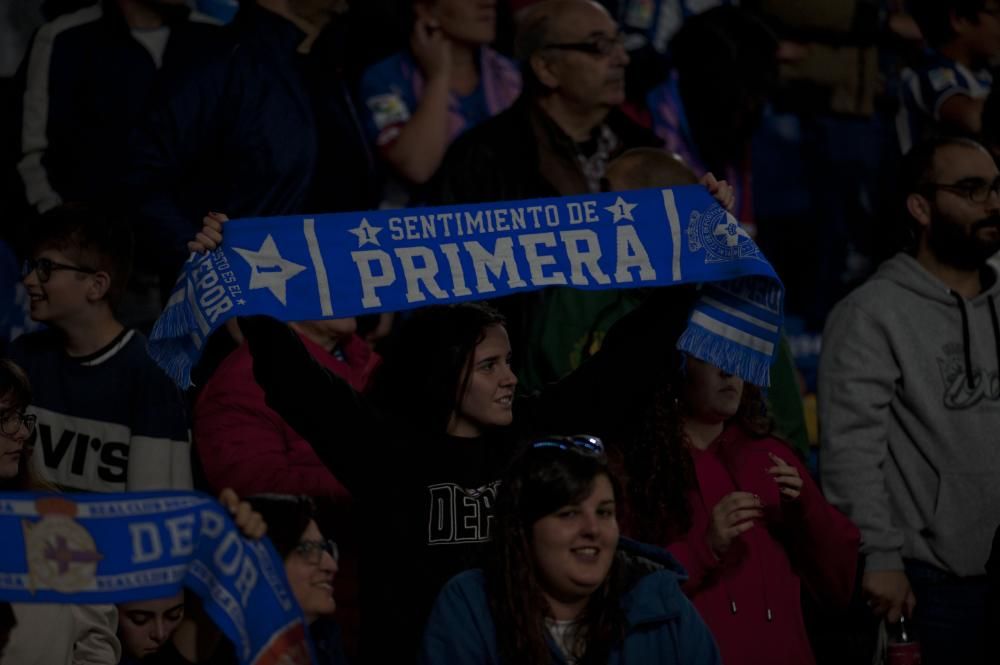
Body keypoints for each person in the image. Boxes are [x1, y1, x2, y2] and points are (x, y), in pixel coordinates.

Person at [188, 212, 695, 663]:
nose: (511, 379)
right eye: (490, 366)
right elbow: (296, 383)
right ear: (447, 374)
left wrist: (692, 258)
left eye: (510, 363)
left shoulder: (531, 435)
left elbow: (623, 367)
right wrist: (242, 282)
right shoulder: (386, 448)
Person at [819, 136, 1000, 664]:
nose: (992, 203)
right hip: (932, 582)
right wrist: (880, 555)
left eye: (996, 187)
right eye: (971, 189)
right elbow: (851, 452)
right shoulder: (871, 314)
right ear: (920, 207)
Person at [615, 337, 859, 665]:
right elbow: (628, 594)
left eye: (737, 354)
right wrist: (704, 548)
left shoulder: (773, 456)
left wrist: (807, 510)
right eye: (711, 355)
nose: (729, 369)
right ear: (677, 365)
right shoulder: (643, 472)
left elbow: (837, 586)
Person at [127, 0, 376, 294]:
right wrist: (211, 269)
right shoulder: (219, 60)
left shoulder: (328, 65)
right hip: (242, 309)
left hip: (331, 298)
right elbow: (141, 177)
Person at [419, 435, 721, 664]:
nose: (593, 529)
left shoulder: (664, 605)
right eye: (569, 514)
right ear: (522, 529)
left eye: (604, 513)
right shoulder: (470, 605)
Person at [8, 204, 191, 492]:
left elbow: (157, 505)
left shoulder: (149, 372)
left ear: (96, 285)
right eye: (32, 267)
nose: (29, 280)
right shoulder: (21, 356)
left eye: (46, 268)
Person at [431, 0, 660, 204]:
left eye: (618, 42)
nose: (622, 58)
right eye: (600, 46)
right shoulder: (481, 160)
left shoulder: (642, 146)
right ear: (546, 68)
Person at [12, 0, 220, 216]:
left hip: (199, 236)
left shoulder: (214, 36)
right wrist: (66, 229)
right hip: (93, 235)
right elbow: (32, 156)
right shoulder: (64, 38)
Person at [0, 357, 121, 664]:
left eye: (21, 416)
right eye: (4, 417)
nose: (22, 433)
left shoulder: (56, 522)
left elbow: (97, 640)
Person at [142, 495, 347, 665]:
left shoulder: (325, 639)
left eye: (325, 548)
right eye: (307, 550)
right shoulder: (217, 647)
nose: (331, 566)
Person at [359, 0, 521, 205]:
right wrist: (438, 78)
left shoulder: (514, 76)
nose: (488, 3)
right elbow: (417, 167)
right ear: (426, 10)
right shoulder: (386, 78)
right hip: (428, 224)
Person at [896, 0, 1000, 154]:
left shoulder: (985, 74)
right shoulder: (930, 71)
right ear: (959, 19)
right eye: (996, 14)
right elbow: (972, 119)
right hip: (935, 175)